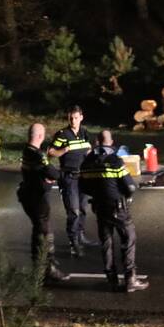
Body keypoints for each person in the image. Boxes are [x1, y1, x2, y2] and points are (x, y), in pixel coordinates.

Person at [80, 130, 147, 292]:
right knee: (128, 238)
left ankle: (112, 279)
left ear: (97, 142)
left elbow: (83, 186)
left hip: (99, 207)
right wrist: (127, 194)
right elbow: (130, 186)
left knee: (106, 242)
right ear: (111, 142)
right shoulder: (115, 160)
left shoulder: (87, 161)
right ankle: (130, 278)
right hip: (117, 207)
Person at [18, 123, 70, 283]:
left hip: (29, 195)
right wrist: (58, 174)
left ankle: (41, 267)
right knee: (45, 233)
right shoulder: (37, 155)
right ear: (40, 136)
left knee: (39, 231)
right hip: (37, 198)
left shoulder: (27, 150)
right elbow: (53, 173)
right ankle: (47, 270)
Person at [48, 105, 96, 257]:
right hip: (69, 178)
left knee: (82, 208)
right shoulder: (62, 134)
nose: (73, 121)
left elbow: (89, 149)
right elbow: (50, 152)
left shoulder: (84, 132)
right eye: (70, 118)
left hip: (83, 177)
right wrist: (64, 150)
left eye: (76, 118)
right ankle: (73, 243)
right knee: (73, 211)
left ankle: (81, 236)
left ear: (81, 117)